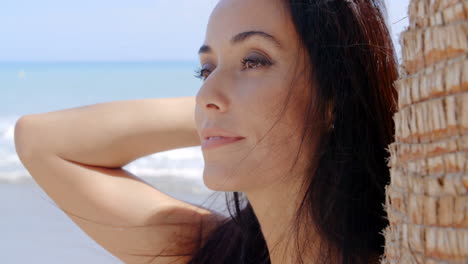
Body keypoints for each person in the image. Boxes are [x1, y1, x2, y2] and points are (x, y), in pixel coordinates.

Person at [14, 0, 398, 263]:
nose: (206, 93)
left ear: (336, 94)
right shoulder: (214, 252)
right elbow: (40, 140)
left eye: (253, 60)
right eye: (206, 69)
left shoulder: (411, 251)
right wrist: (216, 116)